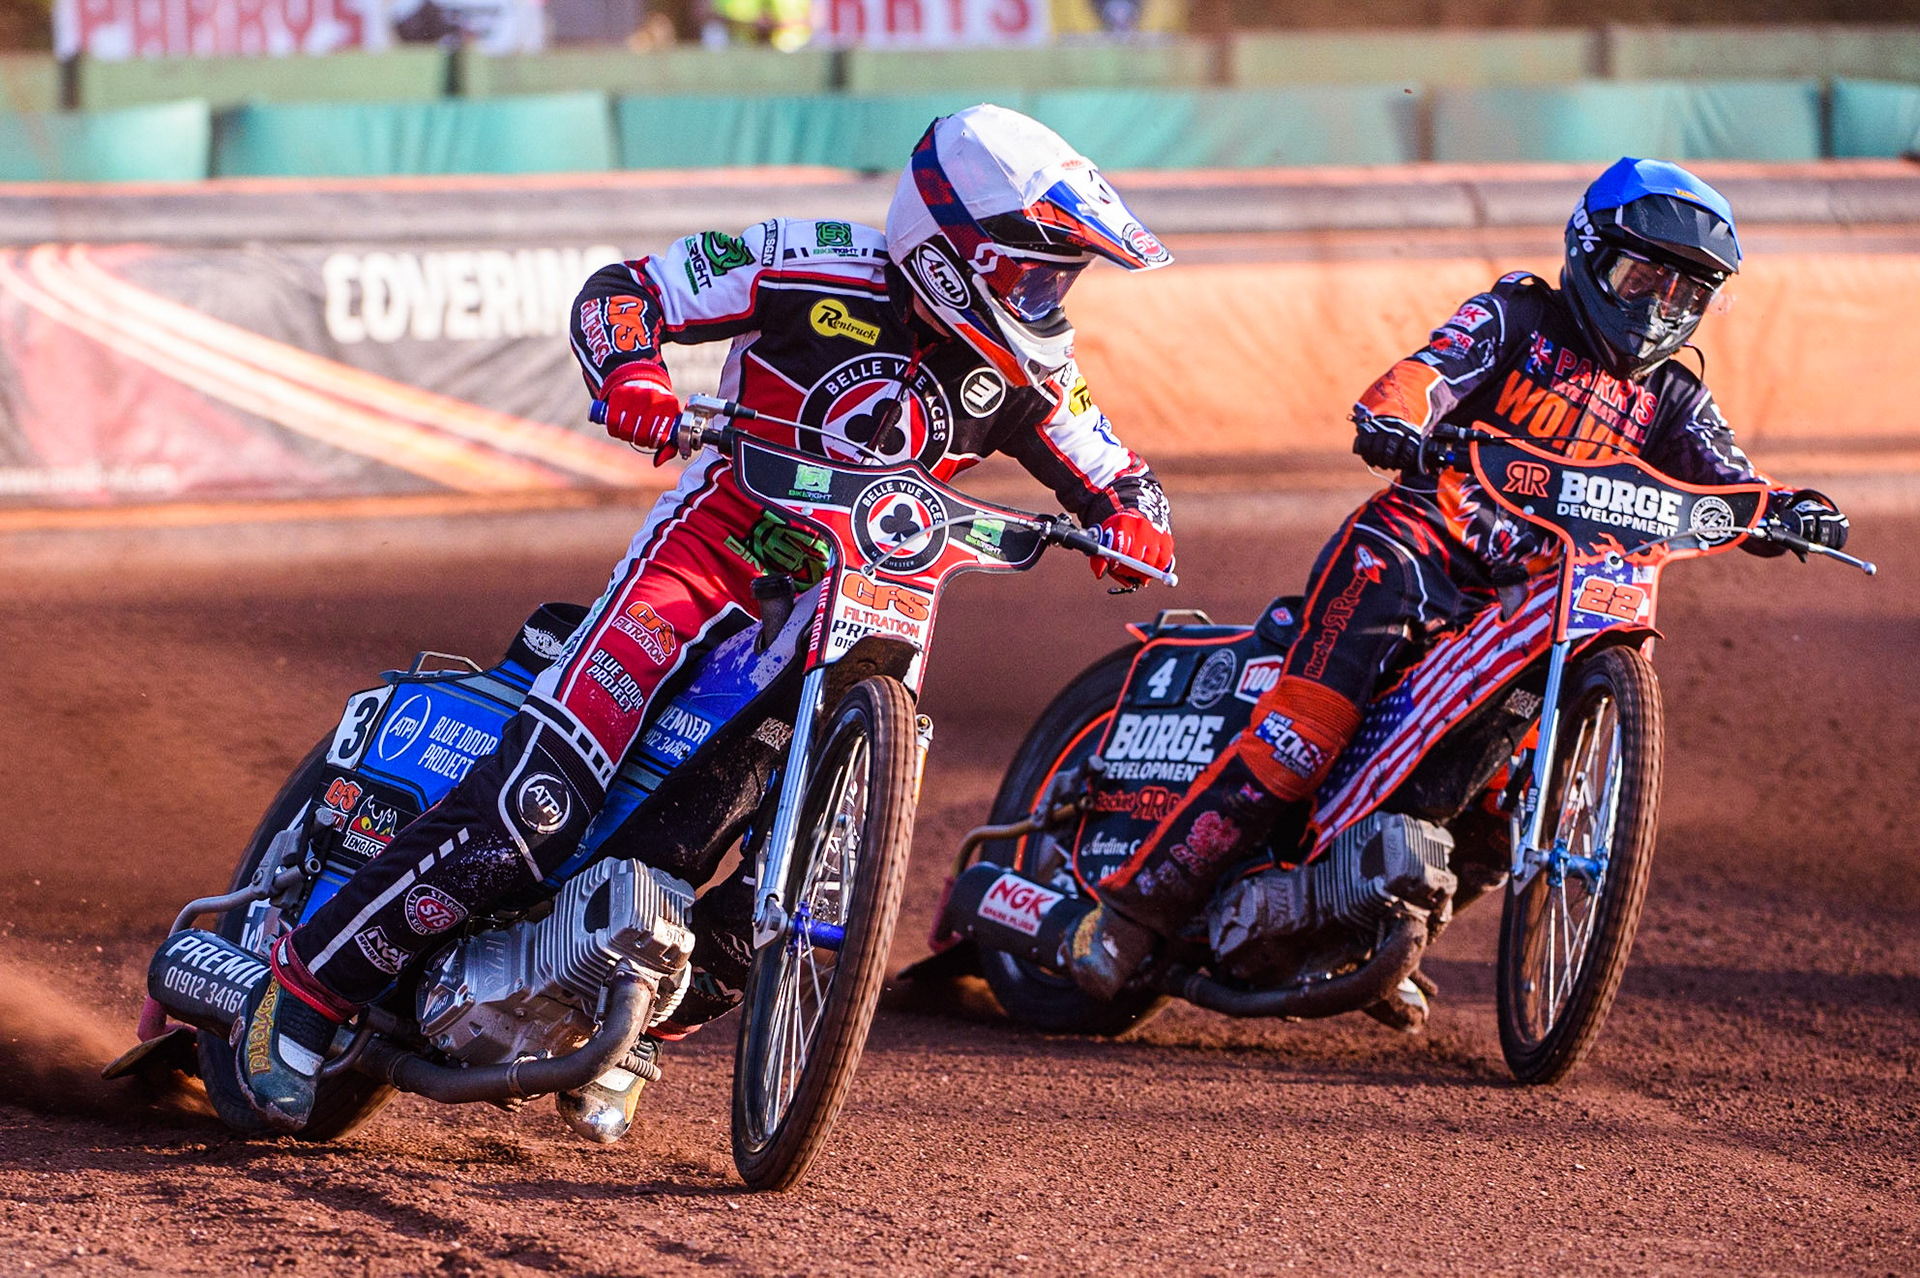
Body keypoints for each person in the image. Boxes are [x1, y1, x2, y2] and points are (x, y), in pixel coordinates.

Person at [232, 104, 1179, 1132]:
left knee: (814, 870)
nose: (1044, 297)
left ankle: (624, 1016)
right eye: (1029, 272)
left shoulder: (1035, 371)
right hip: (712, 550)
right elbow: (624, 295)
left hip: (859, 600)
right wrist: (633, 377)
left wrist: (1133, 522)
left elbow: (1120, 475)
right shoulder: (811, 259)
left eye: (1057, 280)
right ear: (952, 252)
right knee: (540, 801)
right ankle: (309, 987)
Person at [1067, 157, 1853, 1001]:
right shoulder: (1517, 315)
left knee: (1504, 812)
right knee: (1300, 739)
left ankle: (1357, 918)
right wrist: (1396, 417)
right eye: (1642, 278)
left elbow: (1729, 481)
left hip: (1527, 602)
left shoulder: (1672, 398)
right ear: (1588, 254)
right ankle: (1130, 913)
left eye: (1685, 295)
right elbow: (1429, 371)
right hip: (1412, 552)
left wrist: (1792, 509)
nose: (1658, 310)